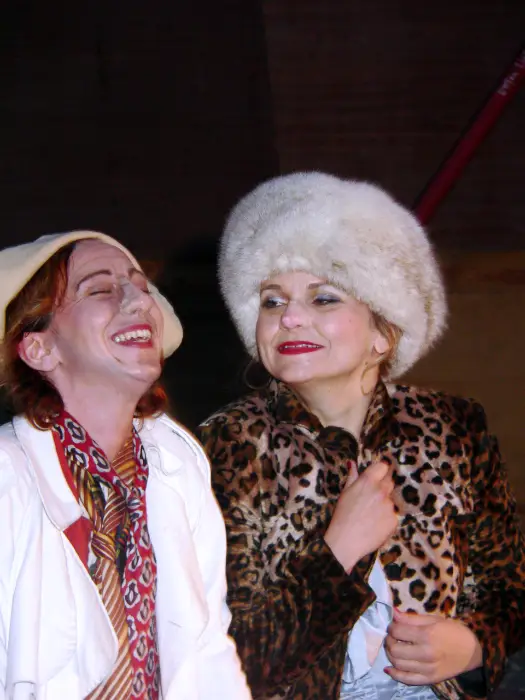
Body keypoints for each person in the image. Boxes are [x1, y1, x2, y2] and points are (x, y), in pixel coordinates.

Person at [196, 173, 525, 700]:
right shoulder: (227, 445)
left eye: (324, 298)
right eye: (272, 302)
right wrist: (337, 552)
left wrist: (473, 645)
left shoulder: (455, 427)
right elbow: (230, 657)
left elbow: (509, 591)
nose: (290, 318)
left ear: (383, 333)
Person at [0, 230, 251, 700]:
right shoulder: (8, 479)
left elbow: (207, 651)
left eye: (140, 286)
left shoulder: (177, 464)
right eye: (100, 289)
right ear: (39, 349)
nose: (139, 300)